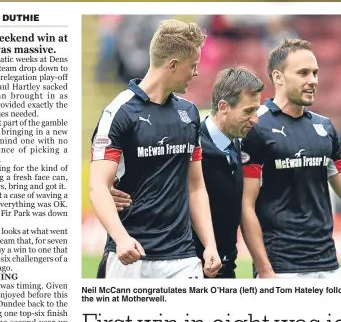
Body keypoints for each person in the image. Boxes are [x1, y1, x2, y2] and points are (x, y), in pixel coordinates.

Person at [90, 19, 221, 279]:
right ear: (172, 65)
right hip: (130, 255)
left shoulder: (189, 113)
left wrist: (210, 244)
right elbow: (98, 187)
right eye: (193, 66)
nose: (196, 73)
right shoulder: (120, 113)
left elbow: (196, 186)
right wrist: (122, 238)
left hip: (182, 258)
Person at [113, 68, 264, 278]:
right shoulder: (189, 141)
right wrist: (112, 185)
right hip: (189, 265)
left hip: (225, 265)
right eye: (248, 111)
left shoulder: (243, 143)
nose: (255, 119)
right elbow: (148, 169)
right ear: (223, 107)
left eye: (256, 110)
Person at [240, 38, 341, 278]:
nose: (313, 81)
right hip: (282, 268)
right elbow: (246, 205)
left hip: (329, 266)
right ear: (278, 77)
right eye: (303, 73)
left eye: (315, 73)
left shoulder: (325, 127)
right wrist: (264, 269)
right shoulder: (256, 127)